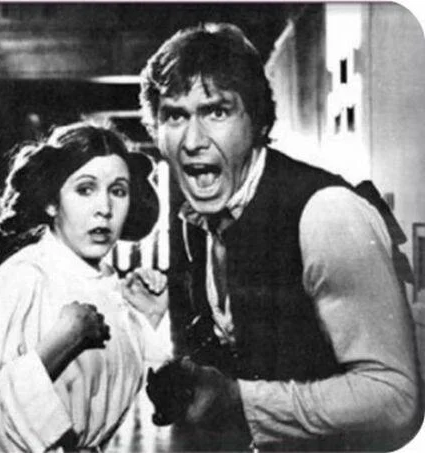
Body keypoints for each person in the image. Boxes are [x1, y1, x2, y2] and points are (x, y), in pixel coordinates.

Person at [139, 23, 422, 451]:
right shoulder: (199, 219)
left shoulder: (327, 214)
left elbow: (395, 397)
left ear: (256, 121)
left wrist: (241, 401)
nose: (193, 141)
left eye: (217, 112)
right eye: (175, 115)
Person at [0, 122, 169, 452]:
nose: (104, 209)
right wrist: (59, 343)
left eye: (118, 191)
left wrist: (149, 322)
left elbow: (142, 397)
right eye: (85, 190)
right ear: (51, 201)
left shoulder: (110, 285)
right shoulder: (23, 277)